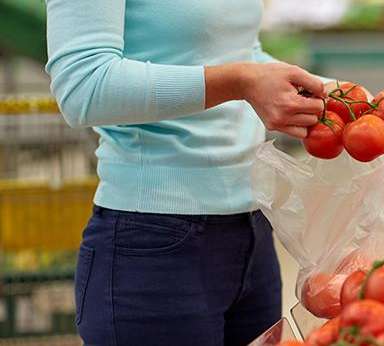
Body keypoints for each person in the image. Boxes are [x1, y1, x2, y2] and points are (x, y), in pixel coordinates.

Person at [45, 1, 331, 345]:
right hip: (154, 246)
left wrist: (325, 91)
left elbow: (235, 50)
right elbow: (84, 87)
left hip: (252, 231)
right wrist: (241, 82)